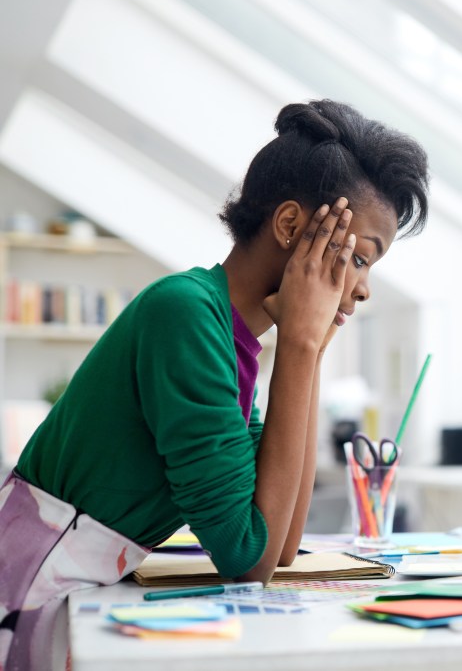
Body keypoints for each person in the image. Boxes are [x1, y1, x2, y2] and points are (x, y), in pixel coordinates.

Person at [0, 99, 429, 670]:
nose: (364, 289)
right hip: (30, 590)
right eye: (359, 259)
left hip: (70, 583)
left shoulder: (227, 338)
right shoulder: (184, 314)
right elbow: (247, 558)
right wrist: (299, 347)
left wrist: (312, 353)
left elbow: (277, 540)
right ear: (291, 227)